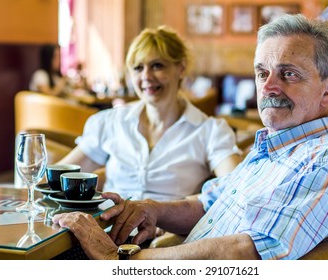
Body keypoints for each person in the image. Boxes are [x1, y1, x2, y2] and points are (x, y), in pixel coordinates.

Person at [53, 14, 328, 260]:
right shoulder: (275, 149)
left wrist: (122, 260)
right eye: (262, 73)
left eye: (288, 73)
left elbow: (245, 253)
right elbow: (208, 202)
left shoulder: (326, 160)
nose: (268, 87)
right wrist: (152, 209)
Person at [56, 26, 242, 201]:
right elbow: (59, 177)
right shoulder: (111, 122)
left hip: (169, 234)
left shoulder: (209, 131)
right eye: (138, 68)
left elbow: (237, 188)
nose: (146, 76)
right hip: (106, 229)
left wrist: (186, 207)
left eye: (157, 66)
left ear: (181, 68)